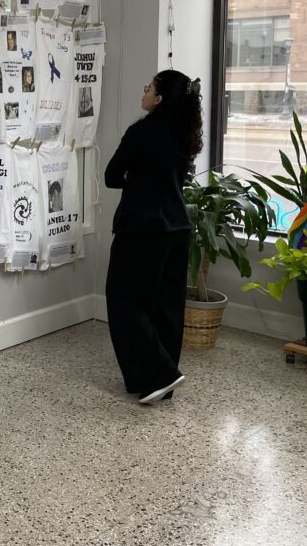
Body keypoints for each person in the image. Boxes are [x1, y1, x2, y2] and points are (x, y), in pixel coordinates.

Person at [104, 70, 203, 405]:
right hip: (178, 228)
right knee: (166, 307)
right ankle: (159, 382)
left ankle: (160, 374)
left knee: (124, 301)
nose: (144, 91)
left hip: (142, 229)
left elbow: (112, 175)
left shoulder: (141, 132)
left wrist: (135, 176)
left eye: (149, 87)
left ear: (158, 99)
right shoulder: (184, 134)